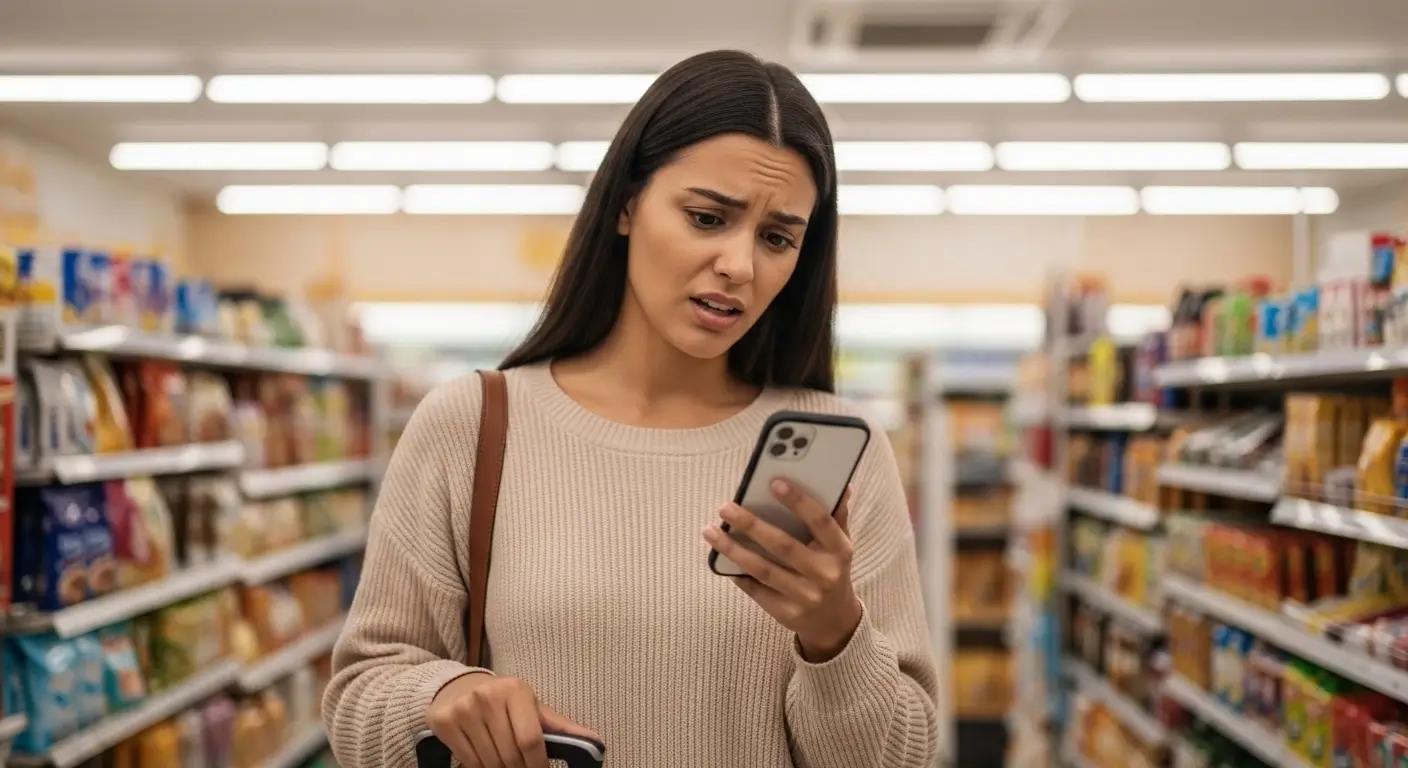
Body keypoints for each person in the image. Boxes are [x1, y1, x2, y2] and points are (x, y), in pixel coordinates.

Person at [323, 49, 939, 768]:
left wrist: (836, 636)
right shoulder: (472, 425)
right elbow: (357, 701)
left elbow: (905, 756)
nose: (740, 265)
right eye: (708, 217)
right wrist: (440, 696)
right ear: (625, 204)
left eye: (777, 238)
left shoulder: (847, 456)